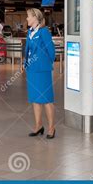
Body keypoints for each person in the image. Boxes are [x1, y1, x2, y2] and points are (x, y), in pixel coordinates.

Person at [25, 8, 56, 139]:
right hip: (31, 70)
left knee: (47, 99)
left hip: (42, 70)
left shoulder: (44, 32)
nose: (26, 19)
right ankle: (38, 126)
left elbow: (51, 51)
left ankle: (51, 128)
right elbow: (27, 50)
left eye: (28, 17)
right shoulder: (29, 32)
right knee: (35, 99)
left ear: (35, 18)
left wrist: (46, 63)